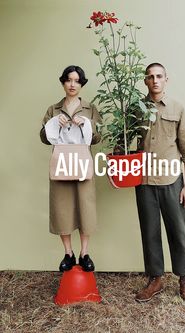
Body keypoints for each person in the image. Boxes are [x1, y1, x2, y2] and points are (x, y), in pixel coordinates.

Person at [135, 63, 185, 303]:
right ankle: (155, 280)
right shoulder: (135, 109)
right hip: (144, 181)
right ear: (146, 81)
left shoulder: (178, 108)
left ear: (166, 79)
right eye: (150, 77)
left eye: (159, 76)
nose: (155, 81)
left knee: (178, 232)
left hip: (172, 179)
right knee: (149, 231)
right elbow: (129, 142)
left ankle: (184, 280)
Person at [40, 65, 101, 272]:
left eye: (76, 80)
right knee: (61, 207)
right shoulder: (53, 109)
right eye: (68, 80)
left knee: (86, 206)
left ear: (81, 83)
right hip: (61, 163)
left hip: (83, 161)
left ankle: (84, 253)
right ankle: (68, 253)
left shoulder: (90, 108)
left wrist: (85, 124)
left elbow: (98, 137)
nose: (72, 84)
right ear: (63, 82)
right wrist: (55, 123)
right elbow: (43, 138)